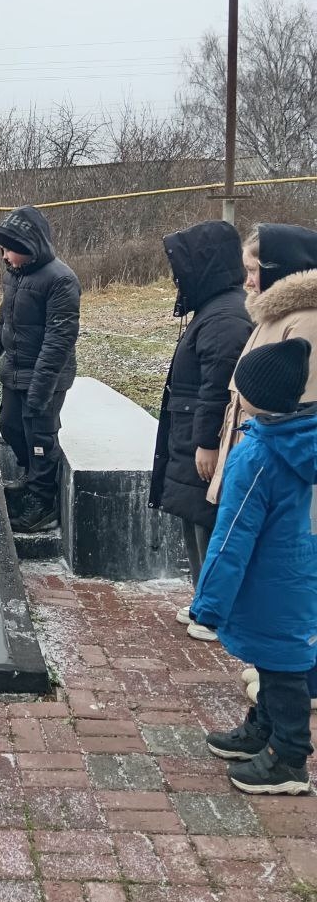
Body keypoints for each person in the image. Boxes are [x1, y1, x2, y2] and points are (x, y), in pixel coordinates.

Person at [192, 338, 316, 796]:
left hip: (270, 582)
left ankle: (289, 759)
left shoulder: (258, 456)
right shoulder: (303, 440)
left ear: (251, 397)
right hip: (298, 576)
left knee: (283, 669)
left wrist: (208, 603)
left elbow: (232, 537)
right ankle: (261, 730)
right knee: (274, 660)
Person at [207, 223, 317, 706]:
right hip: (260, 447)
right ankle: (283, 677)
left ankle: (301, 680)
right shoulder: (274, 313)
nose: (247, 281)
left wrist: (259, 451)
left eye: (254, 270)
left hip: (290, 473)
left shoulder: (308, 320)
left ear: (282, 269)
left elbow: (297, 412)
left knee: (291, 584)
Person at [148, 221, 252, 640]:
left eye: (183, 267)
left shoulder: (225, 317)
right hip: (191, 431)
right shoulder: (214, 309)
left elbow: (218, 389)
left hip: (205, 438)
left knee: (209, 520)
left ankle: (215, 610)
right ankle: (202, 598)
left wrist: (207, 444)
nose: (178, 277)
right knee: (195, 516)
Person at [0, 206, 81, 533]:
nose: (4, 256)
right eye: (1, 249)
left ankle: (44, 505)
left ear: (30, 246)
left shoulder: (60, 280)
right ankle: (32, 479)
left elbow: (59, 339)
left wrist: (41, 389)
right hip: (14, 372)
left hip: (46, 376)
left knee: (40, 435)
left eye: (9, 249)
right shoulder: (14, 277)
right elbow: (6, 321)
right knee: (10, 426)